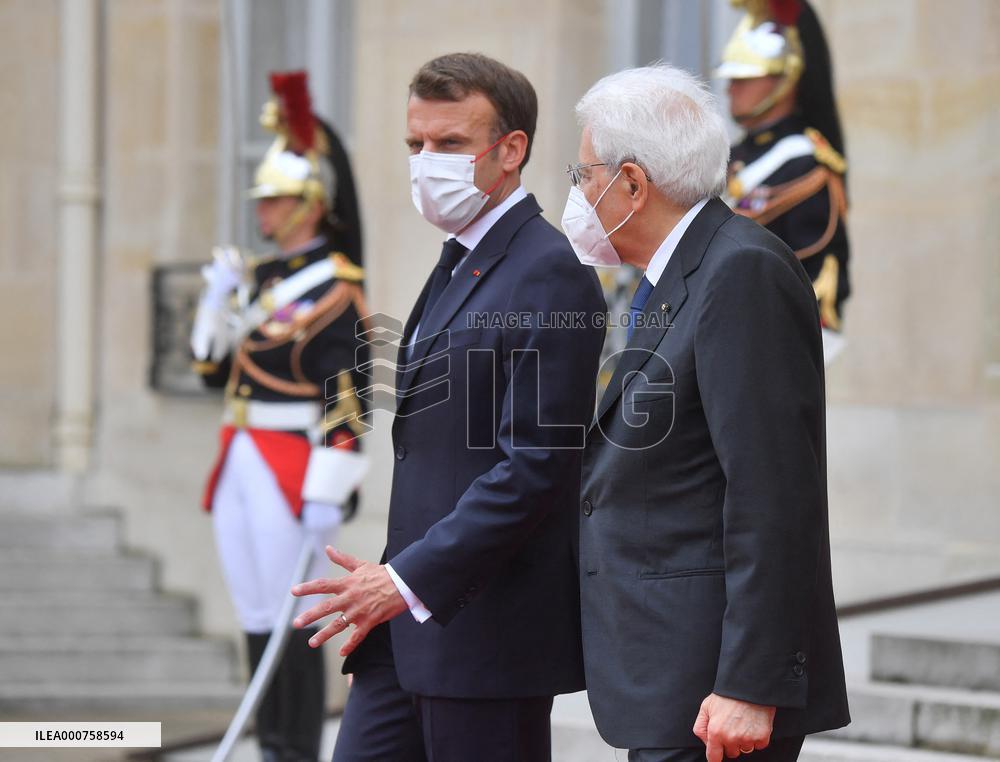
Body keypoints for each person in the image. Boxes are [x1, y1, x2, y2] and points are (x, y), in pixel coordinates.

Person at [291, 52, 606, 761]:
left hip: (484, 639)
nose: (427, 162)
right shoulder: (461, 257)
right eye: (416, 145)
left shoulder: (550, 271)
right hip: (403, 635)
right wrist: (395, 586)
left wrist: (403, 581)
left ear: (511, 150)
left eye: (451, 144)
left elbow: (536, 466)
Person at [568, 64, 850, 762]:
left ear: (632, 184)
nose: (577, 195)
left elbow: (771, 491)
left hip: (714, 691)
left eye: (583, 176)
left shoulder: (739, 271)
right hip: (671, 678)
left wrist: (751, 684)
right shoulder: (679, 274)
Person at [190, 70, 369, 762]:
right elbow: (211, 370)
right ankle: (270, 746)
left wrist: (332, 486)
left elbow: (345, 394)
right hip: (239, 450)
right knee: (254, 612)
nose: (262, 214)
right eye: (263, 202)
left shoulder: (336, 288)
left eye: (276, 202)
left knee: (294, 616)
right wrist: (216, 302)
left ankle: (295, 748)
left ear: (310, 205)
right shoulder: (263, 279)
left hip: (290, 459)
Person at [718, 0, 850, 364]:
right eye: (731, 78)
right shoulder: (730, 156)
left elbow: (809, 270)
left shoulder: (807, 165)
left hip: (766, 344)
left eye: (744, 78)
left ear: (786, 78)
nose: (731, 88)